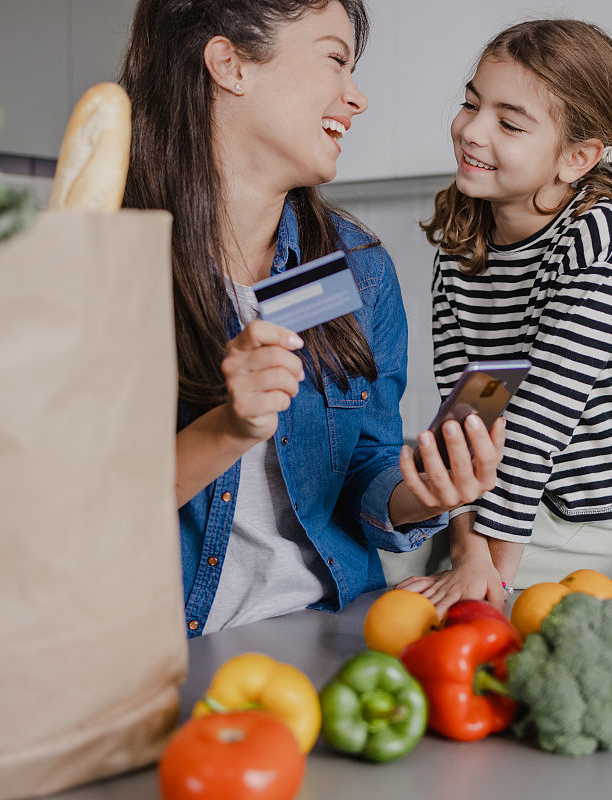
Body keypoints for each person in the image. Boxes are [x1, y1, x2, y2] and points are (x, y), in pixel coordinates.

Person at [118, 0, 505, 636]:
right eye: (334, 59)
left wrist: (428, 494)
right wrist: (232, 426)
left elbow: (362, 472)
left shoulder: (356, 270)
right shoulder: (109, 260)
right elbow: (83, 517)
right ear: (231, 63)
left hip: (328, 629)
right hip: (161, 647)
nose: (357, 98)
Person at [397, 19, 612, 614]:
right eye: (470, 104)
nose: (472, 131)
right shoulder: (464, 244)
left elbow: (540, 419)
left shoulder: (598, 238)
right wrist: (465, 542)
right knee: (373, 551)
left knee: (442, 606)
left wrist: (492, 572)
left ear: (576, 158)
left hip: (586, 515)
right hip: (498, 495)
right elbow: (468, 415)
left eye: (508, 123)